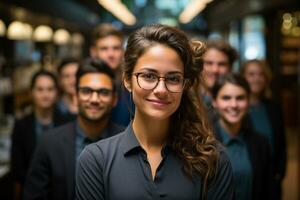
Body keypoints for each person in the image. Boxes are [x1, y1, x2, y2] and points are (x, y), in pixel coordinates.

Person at [76, 24, 234, 200]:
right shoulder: (96, 160)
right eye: (149, 76)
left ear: (184, 85)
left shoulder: (213, 160)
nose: (161, 89)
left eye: (173, 78)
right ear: (127, 80)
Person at [23, 59, 125, 200]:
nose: (94, 99)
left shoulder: (128, 141)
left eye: (103, 92)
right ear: (75, 98)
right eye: (86, 91)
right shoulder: (49, 143)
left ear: (114, 99)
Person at [211, 73, 272, 200]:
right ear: (214, 102)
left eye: (240, 98)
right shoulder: (202, 143)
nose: (234, 105)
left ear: (248, 101)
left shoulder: (260, 143)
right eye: (226, 98)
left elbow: (267, 190)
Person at [11, 71, 65, 200]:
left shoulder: (67, 122)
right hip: (30, 192)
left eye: (50, 89)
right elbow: (17, 168)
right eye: (39, 89)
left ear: (56, 93)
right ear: (31, 93)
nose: (45, 95)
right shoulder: (21, 125)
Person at [241, 59, 286, 200]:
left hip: (272, 177)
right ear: (243, 78)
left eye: (261, 74)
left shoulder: (273, 107)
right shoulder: (236, 109)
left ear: (266, 79)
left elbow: (281, 142)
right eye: (251, 74)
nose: (256, 78)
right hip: (250, 177)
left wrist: (280, 172)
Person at [90, 23, 132, 126]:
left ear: (123, 52)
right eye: (104, 48)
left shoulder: (131, 85)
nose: (111, 54)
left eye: (116, 48)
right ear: (93, 52)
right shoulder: (84, 84)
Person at [200, 40, 238, 121]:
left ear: (230, 68)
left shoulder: (237, 103)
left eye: (222, 64)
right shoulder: (187, 101)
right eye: (209, 63)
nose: (215, 70)